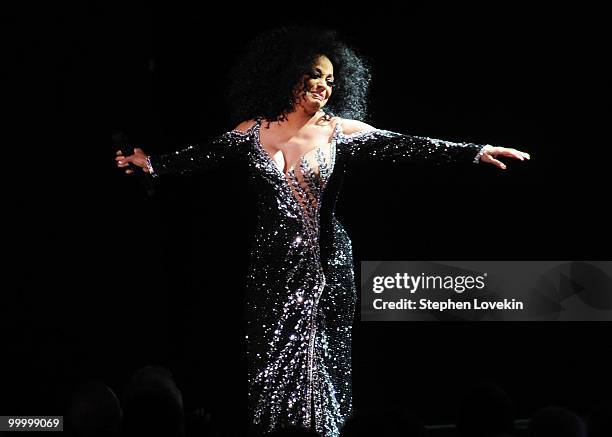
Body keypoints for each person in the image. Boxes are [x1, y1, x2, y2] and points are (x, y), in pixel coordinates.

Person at [115, 27, 530, 437]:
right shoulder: (252, 131)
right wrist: (151, 164)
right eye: (315, 75)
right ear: (290, 74)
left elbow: (410, 144)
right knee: (273, 361)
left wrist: (475, 152)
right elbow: (199, 157)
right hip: (273, 267)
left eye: (331, 80)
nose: (323, 86)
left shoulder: (340, 132)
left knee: (324, 361)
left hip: (327, 264)